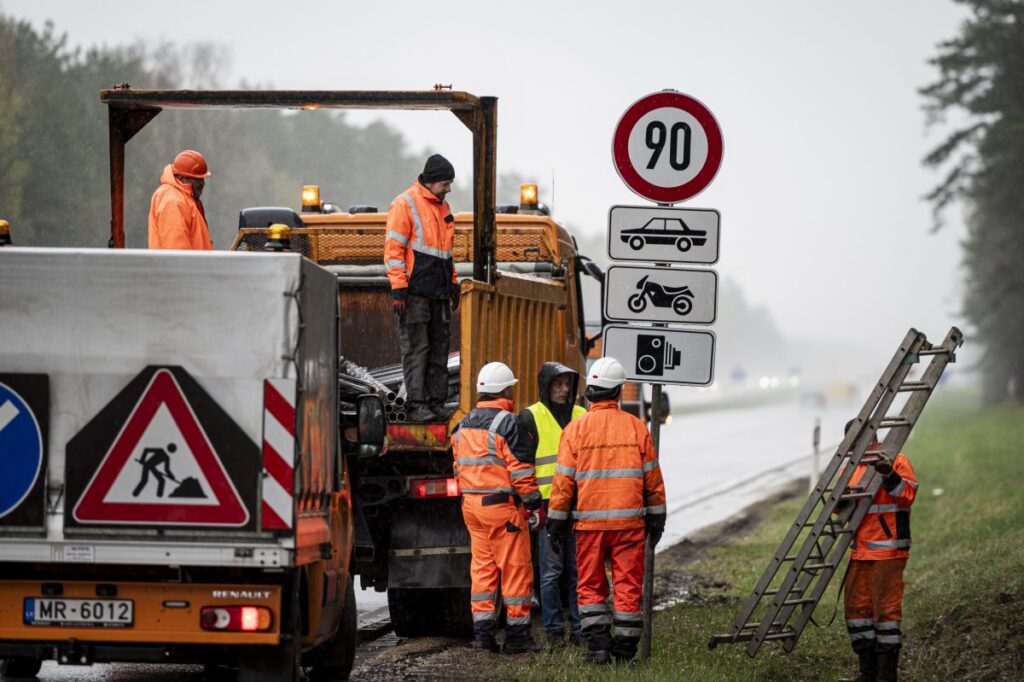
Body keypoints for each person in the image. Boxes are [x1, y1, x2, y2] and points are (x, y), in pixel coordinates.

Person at [546, 357, 667, 664]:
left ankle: (598, 648)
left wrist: (556, 524)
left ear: (591, 391)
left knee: (590, 587)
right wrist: (657, 517)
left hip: (589, 527)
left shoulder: (575, 430)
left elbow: (563, 484)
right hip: (629, 525)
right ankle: (625, 651)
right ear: (618, 391)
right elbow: (652, 479)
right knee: (627, 586)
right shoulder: (636, 428)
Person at [451, 362, 543, 654]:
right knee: (516, 570)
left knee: (482, 571)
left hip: (472, 507)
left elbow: (458, 467)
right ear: (506, 390)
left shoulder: (461, 425)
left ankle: (484, 636)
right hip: (502, 509)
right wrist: (533, 502)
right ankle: (517, 638)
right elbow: (520, 472)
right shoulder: (509, 423)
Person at [839, 420, 918, 682]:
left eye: (853, 440)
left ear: (869, 438)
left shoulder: (897, 460)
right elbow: (840, 509)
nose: (850, 446)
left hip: (888, 553)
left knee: (886, 616)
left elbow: (907, 495)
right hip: (859, 554)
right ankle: (867, 673)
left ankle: (886, 676)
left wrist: (887, 473)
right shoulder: (849, 469)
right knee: (857, 612)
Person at [384, 154, 460, 422]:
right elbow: (393, 251)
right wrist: (399, 289)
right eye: (446, 182)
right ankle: (417, 404)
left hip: (437, 292)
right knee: (419, 348)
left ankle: (436, 402)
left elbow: (445, 253)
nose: (448, 188)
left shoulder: (442, 207)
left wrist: (453, 283)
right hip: (415, 293)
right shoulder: (404, 204)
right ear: (432, 181)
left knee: (439, 348)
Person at [520, 362, 586, 647]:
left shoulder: (582, 415)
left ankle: (579, 630)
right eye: (557, 384)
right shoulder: (530, 417)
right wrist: (532, 502)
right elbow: (522, 464)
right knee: (550, 573)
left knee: (577, 572)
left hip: (577, 504)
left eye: (567, 384)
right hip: (547, 507)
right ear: (546, 387)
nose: (563, 390)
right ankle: (555, 633)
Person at [148, 149, 213, 250]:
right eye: (197, 179)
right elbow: (176, 252)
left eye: (202, 178)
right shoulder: (172, 200)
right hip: (185, 265)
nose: (202, 183)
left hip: (196, 265)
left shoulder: (185, 198)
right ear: (180, 177)